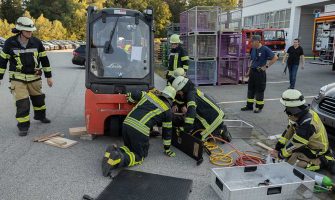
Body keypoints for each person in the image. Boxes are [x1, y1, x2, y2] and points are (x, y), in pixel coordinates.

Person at [102, 86, 176, 177]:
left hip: (126, 123)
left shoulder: (150, 95)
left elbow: (135, 93)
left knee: (129, 148)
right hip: (140, 129)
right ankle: (118, 159)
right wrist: (167, 149)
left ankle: (114, 151)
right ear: (171, 99)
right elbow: (167, 132)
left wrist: (131, 98)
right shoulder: (167, 111)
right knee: (139, 156)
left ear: (162, 93)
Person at [0, 17, 53, 136]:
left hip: (34, 77)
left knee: (39, 99)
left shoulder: (37, 42)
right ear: (21, 31)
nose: (30, 33)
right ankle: (23, 126)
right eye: (27, 31)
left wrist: (49, 76)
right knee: (22, 102)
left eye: (31, 31)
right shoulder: (10, 43)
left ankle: (40, 116)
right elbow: (2, 61)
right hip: (17, 78)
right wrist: (0, 77)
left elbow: (44, 60)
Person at [271, 89, 335, 173]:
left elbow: (295, 144)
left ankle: (319, 163)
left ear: (292, 107)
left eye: (286, 106)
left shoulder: (307, 123)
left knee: (296, 166)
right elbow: (288, 133)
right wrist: (277, 148)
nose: (286, 109)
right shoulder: (297, 115)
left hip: (317, 149)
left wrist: (280, 155)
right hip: (308, 144)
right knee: (289, 155)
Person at [171, 76, 231, 142]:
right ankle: (216, 130)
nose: (178, 93)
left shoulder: (190, 96)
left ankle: (220, 131)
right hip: (210, 115)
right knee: (192, 133)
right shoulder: (191, 90)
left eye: (179, 91)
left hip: (212, 119)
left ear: (183, 88)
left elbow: (191, 114)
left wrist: (185, 128)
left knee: (194, 139)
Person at [241, 35, 278, 113]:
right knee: (250, 90)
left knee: (259, 90)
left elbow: (275, 58)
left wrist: (266, 66)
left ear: (258, 41)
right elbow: (252, 61)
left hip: (260, 73)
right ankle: (249, 106)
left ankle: (259, 107)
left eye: (252, 41)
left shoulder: (265, 49)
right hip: (253, 72)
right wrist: (248, 72)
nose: (251, 43)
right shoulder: (253, 49)